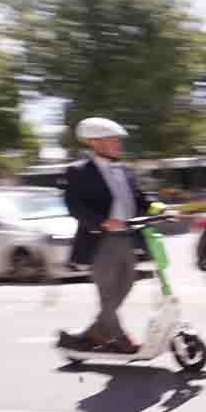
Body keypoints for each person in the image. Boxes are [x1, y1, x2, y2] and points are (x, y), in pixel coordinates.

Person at [57, 117, 154, 353]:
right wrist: (102, 221)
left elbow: (142, 199)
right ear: (94, 142)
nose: (118, 144)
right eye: (112, 140)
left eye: (117, 140)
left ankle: (93, 333)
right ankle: (119, 339)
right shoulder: (78, 171)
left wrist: (160, 207)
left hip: (127, 237)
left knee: (127, 284)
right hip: (100, 240)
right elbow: (74, 206)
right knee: (108, 292)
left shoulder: (125, 170)